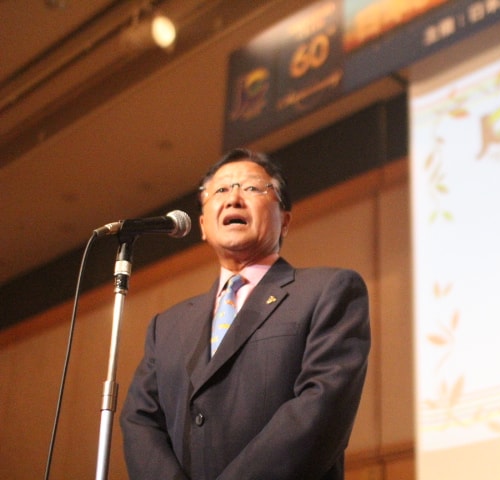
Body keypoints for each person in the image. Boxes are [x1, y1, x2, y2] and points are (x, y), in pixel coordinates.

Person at [120, 148, 371, 480]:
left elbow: (321, 409)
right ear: (203, 225)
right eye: (221, 190)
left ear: (285, 221)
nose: (233, 199)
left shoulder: (328, 291)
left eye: (252, 188)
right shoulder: (165, 326)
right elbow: (140, 421)